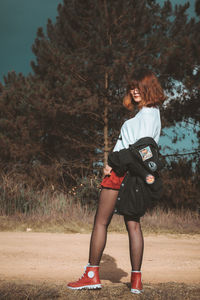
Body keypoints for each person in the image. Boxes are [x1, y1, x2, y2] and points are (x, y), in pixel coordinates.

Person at [67, 69, 166, 294]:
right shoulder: (151, 114)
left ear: (149, 87)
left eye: (139, 86)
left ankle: (91, 275)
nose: (134, 90)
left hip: (122, 172)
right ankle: (136, 281)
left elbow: (138, 150)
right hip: (136, 175)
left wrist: (112, 163)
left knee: (101, 222)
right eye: (132, 87)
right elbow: (142, 150)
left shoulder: (147, 114)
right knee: (133, 224)